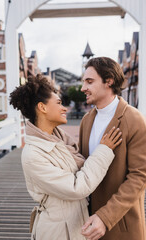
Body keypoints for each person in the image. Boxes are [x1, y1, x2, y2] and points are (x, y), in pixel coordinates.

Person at [9, 74, 122, 240]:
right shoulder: (33, 155)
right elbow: (77, 187)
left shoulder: (60, 140)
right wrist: (104, 150)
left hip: (77, 225)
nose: (65, 108)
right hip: (59, 232)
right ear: (43, 107)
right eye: (59, 103)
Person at [79, 57, 146, 240]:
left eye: (89, 81)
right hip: (88, 226)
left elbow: (139, 177)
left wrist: (105, 216)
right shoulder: (86, 120)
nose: (83, 88)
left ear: (109, 81)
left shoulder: (134, 119)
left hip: (121, 225)